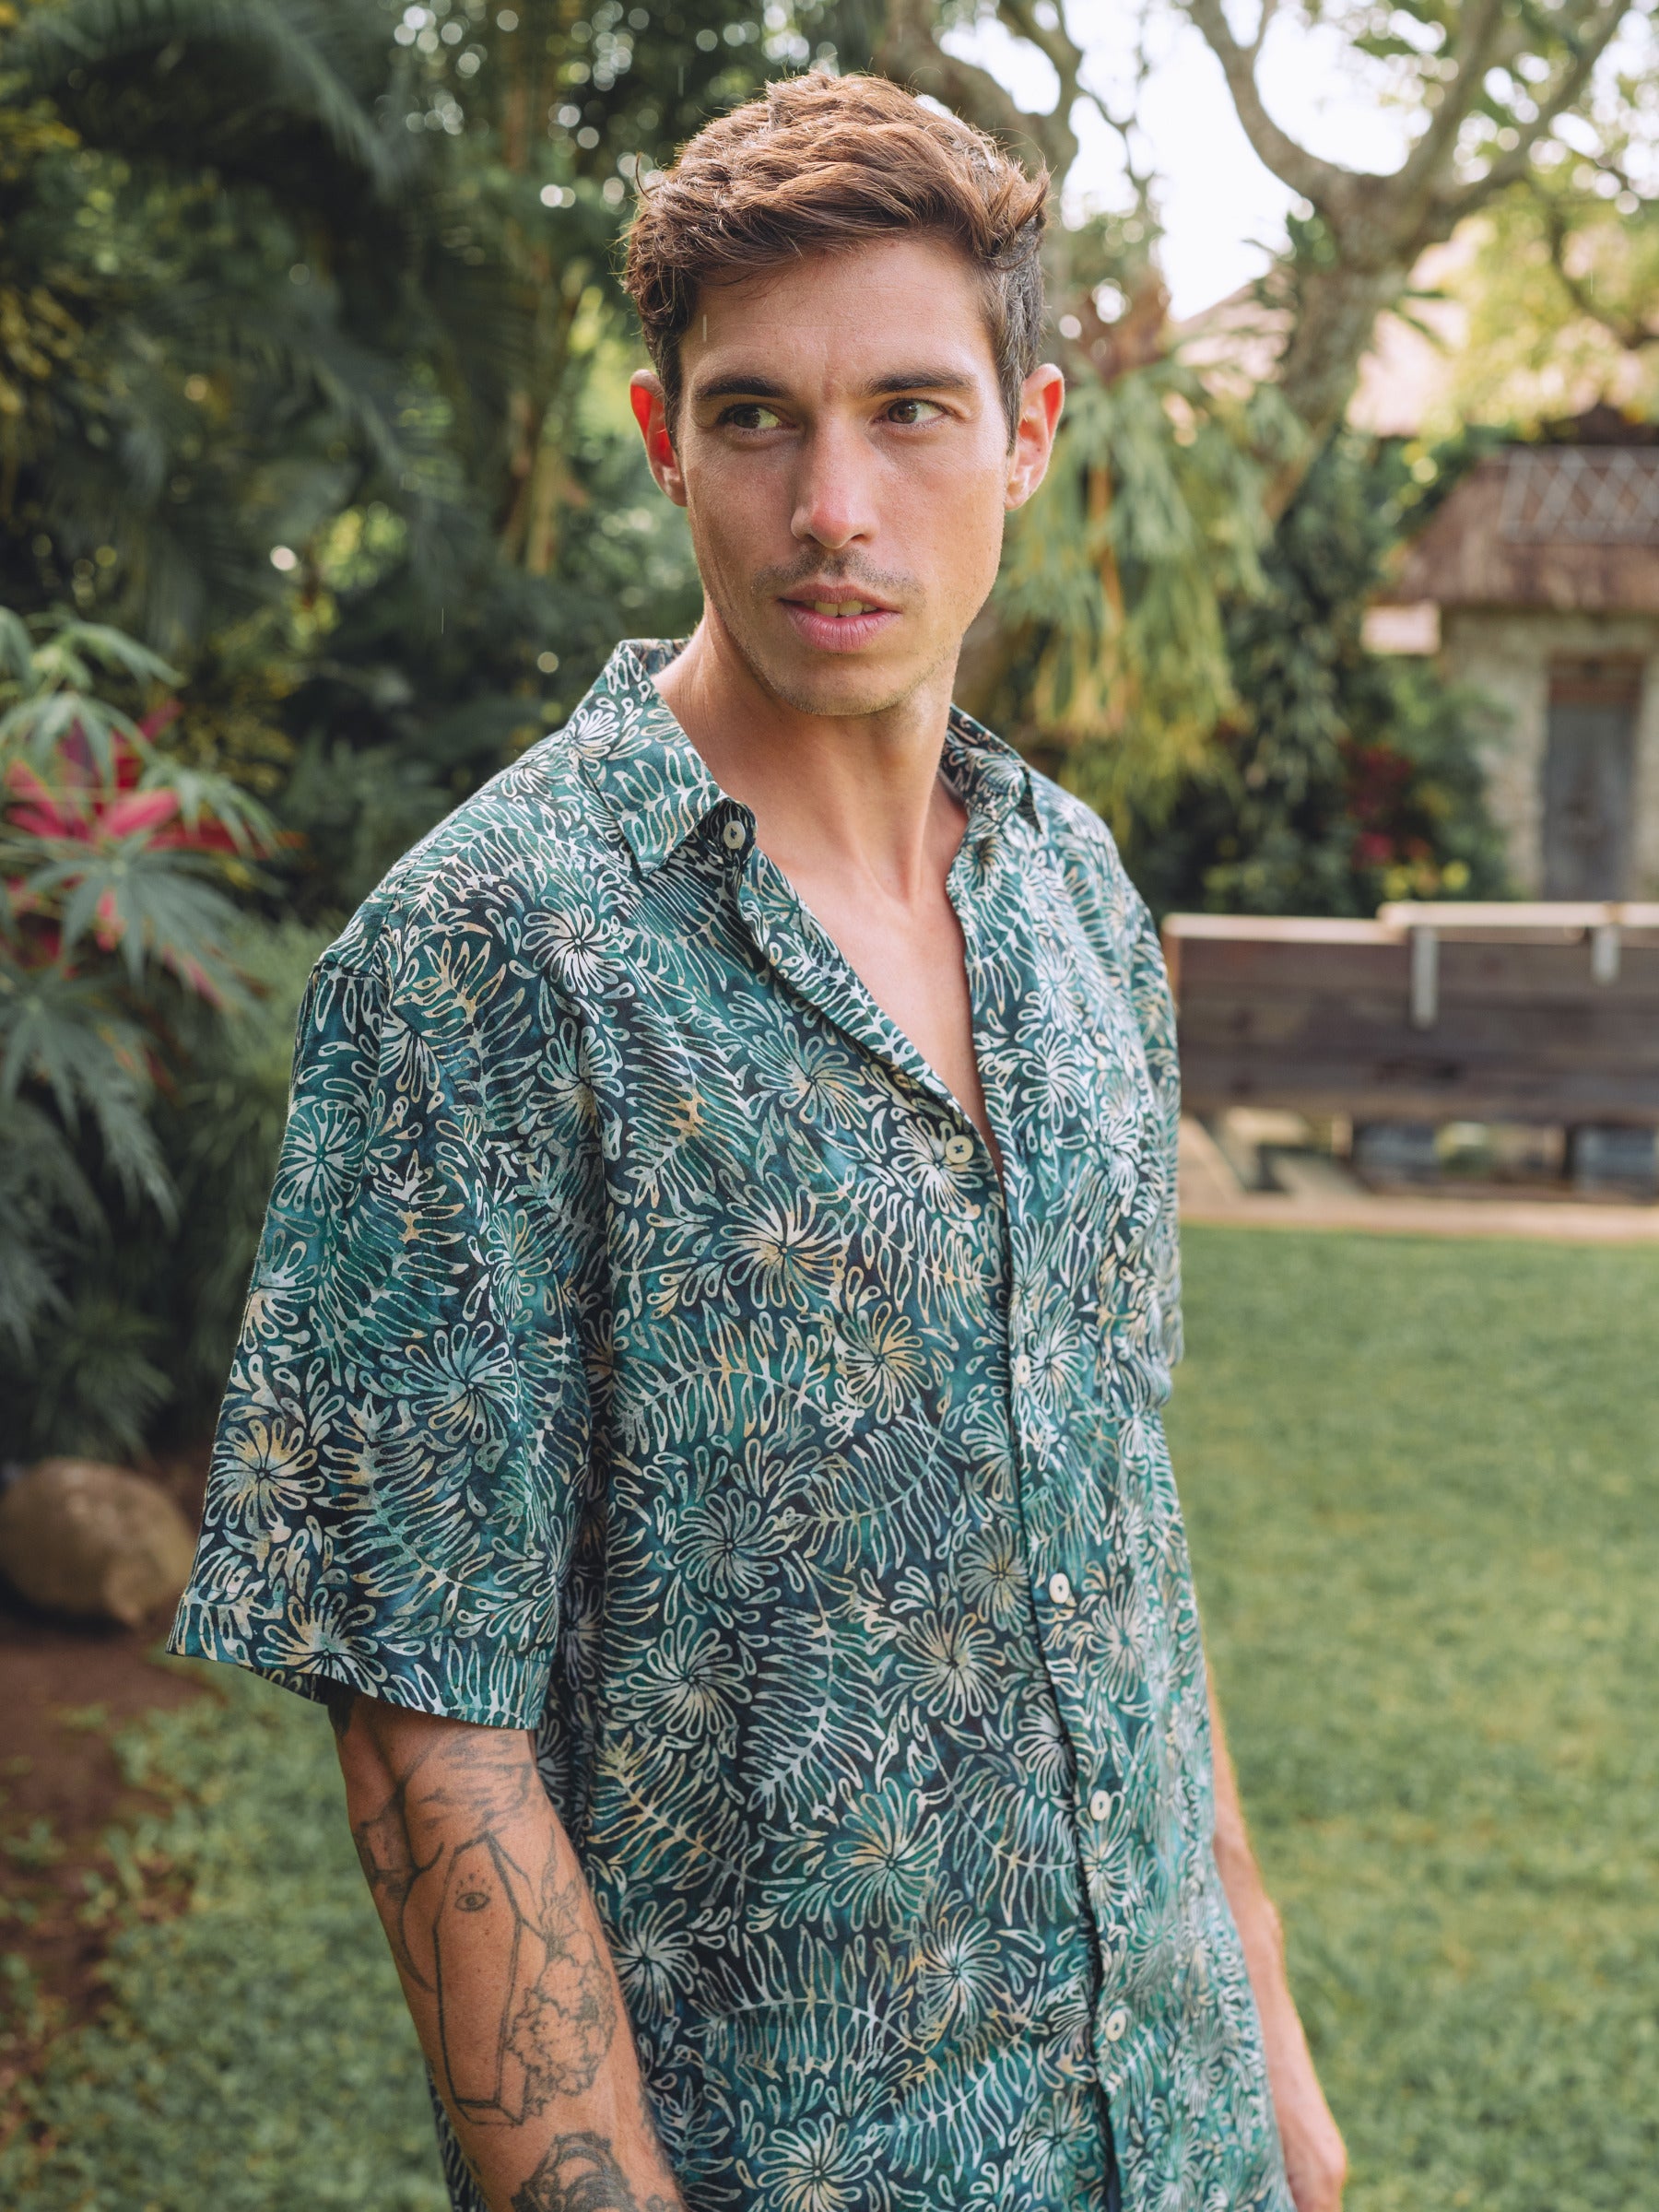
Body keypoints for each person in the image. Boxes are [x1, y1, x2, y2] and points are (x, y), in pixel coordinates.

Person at [170, 69, 1347, 2212]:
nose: (833, 506)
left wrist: (1262, 2027)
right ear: (662, 441)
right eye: (756, 419)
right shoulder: (488, 956)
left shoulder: (1079, 898)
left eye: (909, 412)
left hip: (1180, 2142)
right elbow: (429, 1731)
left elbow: (1114, 1529)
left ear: (1028, 435)